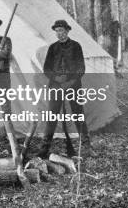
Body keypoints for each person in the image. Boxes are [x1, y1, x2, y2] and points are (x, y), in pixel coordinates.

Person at [37, 19, 94, 158]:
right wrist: (56, 79)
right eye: (57, 31)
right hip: (56, 86)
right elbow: (46, 69)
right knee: (52, 117)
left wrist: (70, 82)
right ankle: (44, 149)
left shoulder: (76, 46)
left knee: (78, 115)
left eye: (61, 30)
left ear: (67, 31)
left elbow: (81, 68)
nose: (59, 34)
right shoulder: (53, 48)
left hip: (73, 85)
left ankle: (86, 147)